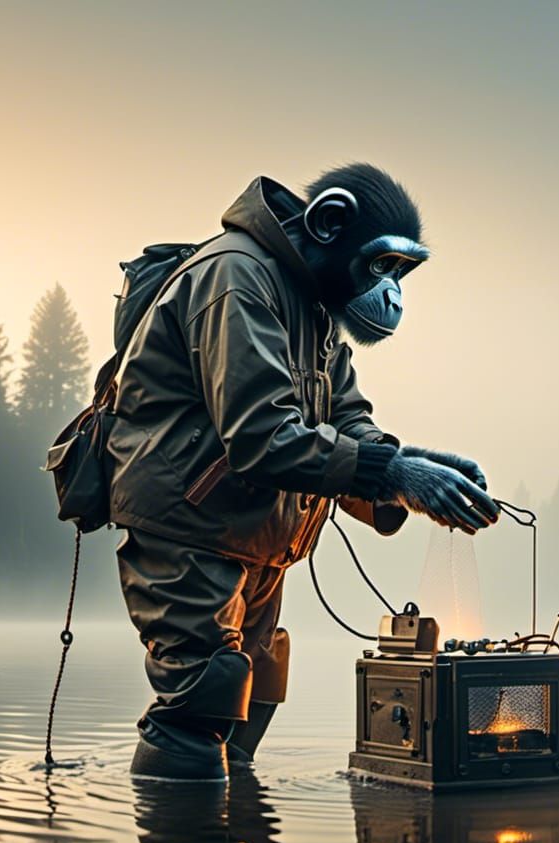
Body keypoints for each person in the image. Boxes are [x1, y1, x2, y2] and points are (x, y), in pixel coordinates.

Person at [107, 166, 498, 781]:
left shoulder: (313, 306)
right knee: (199, 709)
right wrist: (394, 472)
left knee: (256, 694)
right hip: (189, 529)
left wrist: (414, 471)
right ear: (328, 224)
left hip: (257, 536)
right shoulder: (237, 278)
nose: (392, 295)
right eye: (381, 267)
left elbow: (347, 418)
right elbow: (261, 436)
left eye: (403, 273)